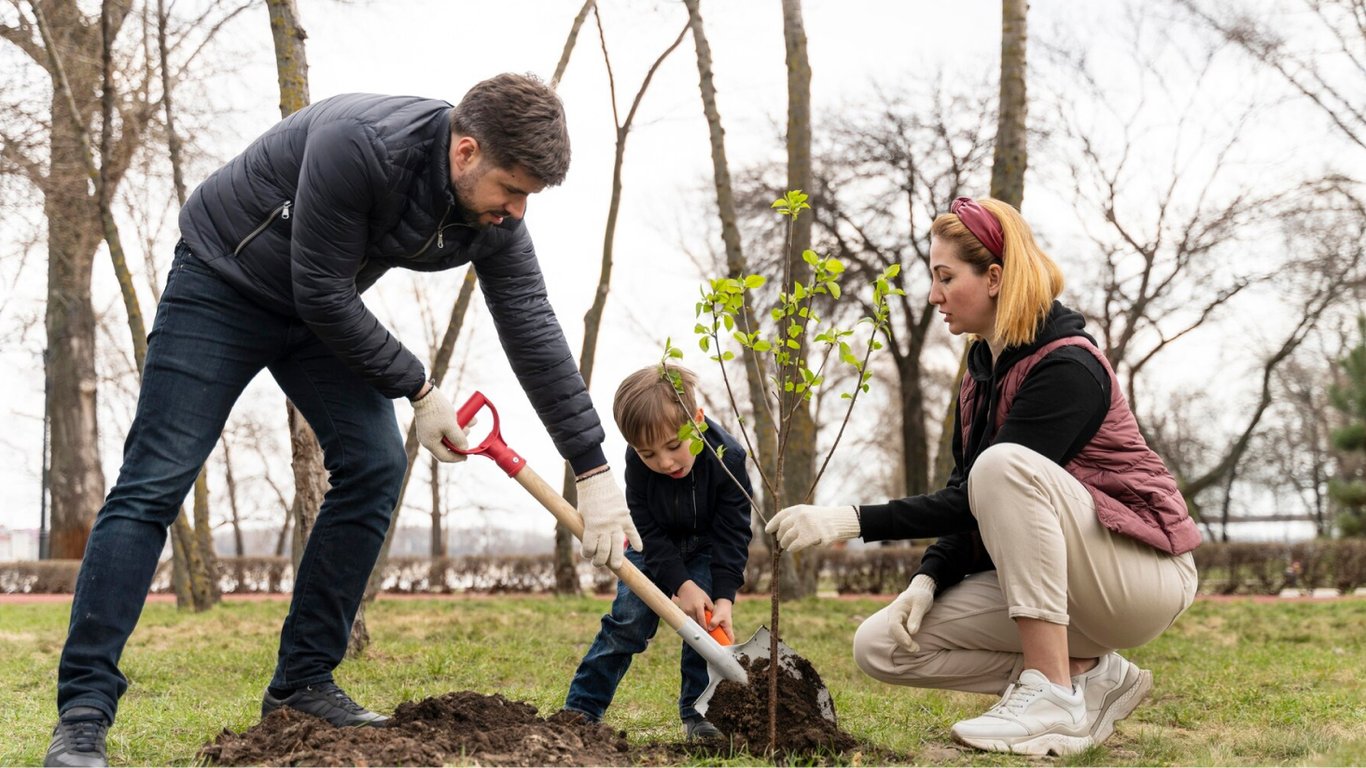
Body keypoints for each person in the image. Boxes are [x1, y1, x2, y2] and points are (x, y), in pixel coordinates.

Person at [44, 74, 643, 768]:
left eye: (526, 198)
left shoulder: (494, 221)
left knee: (376, 465)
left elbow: (533, 329)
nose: (515, 210)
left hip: (318, 308)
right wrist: (418, 388)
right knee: (154, 482)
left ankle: (302, 682)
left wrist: (592, 467)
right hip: (221, 284)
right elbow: (323, 292)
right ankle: (83, 712)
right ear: (466, 151)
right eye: (511, 189)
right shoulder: (361, 144)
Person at [765, 197, 1200, 756]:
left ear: (994, 277)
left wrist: (846, 520)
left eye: (946, 277)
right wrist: (928, 580)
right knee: (881, 646)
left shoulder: (1069, 366)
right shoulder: (979, 375)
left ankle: (1052, 695)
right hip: (1075, 585)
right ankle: (1093, 674)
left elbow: (987, 487)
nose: (933, 294)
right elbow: (969, 499)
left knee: (1002, 464)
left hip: (1142, 576)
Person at [561, 364, 754, 742]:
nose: (664, 463)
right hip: (650, 547)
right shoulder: (638, 462)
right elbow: (645, 527)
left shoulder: (728, 458)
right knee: (628, 622)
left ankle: (699, 714)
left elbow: (733, 533)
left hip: (705, 549)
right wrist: (678, 583)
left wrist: (724, 596)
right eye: (649, 453)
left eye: (673, 446)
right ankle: (582, 709)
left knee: (704, 627)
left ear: (697, 420)